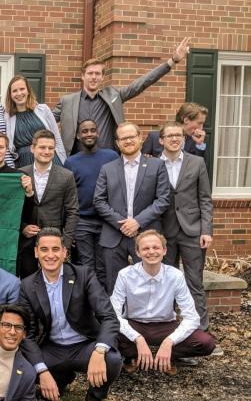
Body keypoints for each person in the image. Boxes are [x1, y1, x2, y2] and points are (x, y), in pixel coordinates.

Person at [20, 228, 121, 401]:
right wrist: (42, 370)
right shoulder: (27, 285)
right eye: (45, 249)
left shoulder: (83, 275)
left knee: (113, 359)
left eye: (56, 249)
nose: (50, 255)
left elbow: (108, 316)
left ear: (65, 252)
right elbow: (28, 334)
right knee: (23, 370)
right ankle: (61, 376)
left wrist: (99, 352)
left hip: (84, 346)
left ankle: (95, 398)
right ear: (36, 252)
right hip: (52, 348)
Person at [54, 37, 192, 154]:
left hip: (109, 159)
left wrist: (172, 61)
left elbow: (141, 83)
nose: (94, 77)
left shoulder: (114, 95)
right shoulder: (68, 101)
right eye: (90, 73)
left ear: (102, 77)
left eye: (97, 74)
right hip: (75, 159)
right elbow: (44, 119)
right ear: (83, 76)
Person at [110, 230, 216, 374]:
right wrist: (138, 339)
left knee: (206, 343)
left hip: (165, 326)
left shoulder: (175, 276)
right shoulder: (125, 275)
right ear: (138, 252)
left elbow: (192, 318)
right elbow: (113, 314)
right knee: (105, 334)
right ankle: (132, 355)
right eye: (145, 248)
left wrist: (169, 342)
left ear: (164, 250)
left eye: (156, 247)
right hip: (134, 324)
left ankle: (168, 355)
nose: (151, 252)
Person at [93, 122, 171, 293]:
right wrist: (121, 224)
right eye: (123, 138)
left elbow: (163, 199)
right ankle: (116, 319)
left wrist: (137, 222)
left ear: (140, 138)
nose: (128, 141)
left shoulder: (156, 165)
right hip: (114, 235)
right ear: (117, 143)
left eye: (131, 137)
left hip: (146, 234)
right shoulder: (107, 169)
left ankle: (147, 319)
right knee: (113, 286)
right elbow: (99, 201)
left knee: (148, 285)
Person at [157, 123, 214, 334]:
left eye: (178, 135)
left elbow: (205, 199)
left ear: (183, 138)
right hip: (164, 232)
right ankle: (168, 328)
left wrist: (206, 230)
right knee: (166, 282)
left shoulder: (197, 162)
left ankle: (201, 331)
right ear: (161, 140)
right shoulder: (153, 164)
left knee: (194, 282)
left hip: (193, 231)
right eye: (170, 135)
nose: (175, 139)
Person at [17, 130, 79, 279]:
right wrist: (23, 227)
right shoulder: (19, 174)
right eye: (42, 147)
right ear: (33, 149)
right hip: (27, 243)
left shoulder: (66, 176)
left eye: (50, 148)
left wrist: (65, 244)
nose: (46, 151)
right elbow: (12, 209)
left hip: (54, 241)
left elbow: (73, 211)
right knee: (28, 283)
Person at [63, 120, 118, 286]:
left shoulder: (111, 156)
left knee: (104, 266)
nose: (89, 134)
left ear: (98, 133)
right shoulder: (71, 162)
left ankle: (104, 306)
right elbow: (68, 197)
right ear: (78, 135)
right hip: (82, 221)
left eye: (93, 130)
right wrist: (69, 229)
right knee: (86, 266)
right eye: (85, 131)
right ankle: (89, 307)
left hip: (106, 221)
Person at [5, 75, 66, 166]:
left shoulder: (43, 110)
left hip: (49, 159)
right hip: (24, 163)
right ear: (10, 95)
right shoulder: (8, 117)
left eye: (22, 89)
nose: (19, 93)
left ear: (28, 91)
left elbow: (57, 138)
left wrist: (64, 161)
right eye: (14, 91)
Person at [142, 102, 208, 159]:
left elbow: (200, 168)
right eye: (199, 123)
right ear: (186, 120)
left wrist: (199, 144)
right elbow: (142, 163)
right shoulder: (154, 137)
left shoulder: (195, 141)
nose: (201, 128)